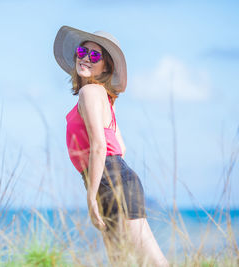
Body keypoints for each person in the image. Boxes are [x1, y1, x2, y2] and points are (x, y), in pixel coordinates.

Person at [54, 25, 169, 267]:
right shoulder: (104, 97)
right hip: (117, 178)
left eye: (95, 56)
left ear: (105, 66)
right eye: (82, 51)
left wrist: (91, 197)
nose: (85, 58)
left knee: (155, 264)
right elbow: (121, 147)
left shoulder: (89, 93)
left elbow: (99, 146)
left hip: (110, 180)